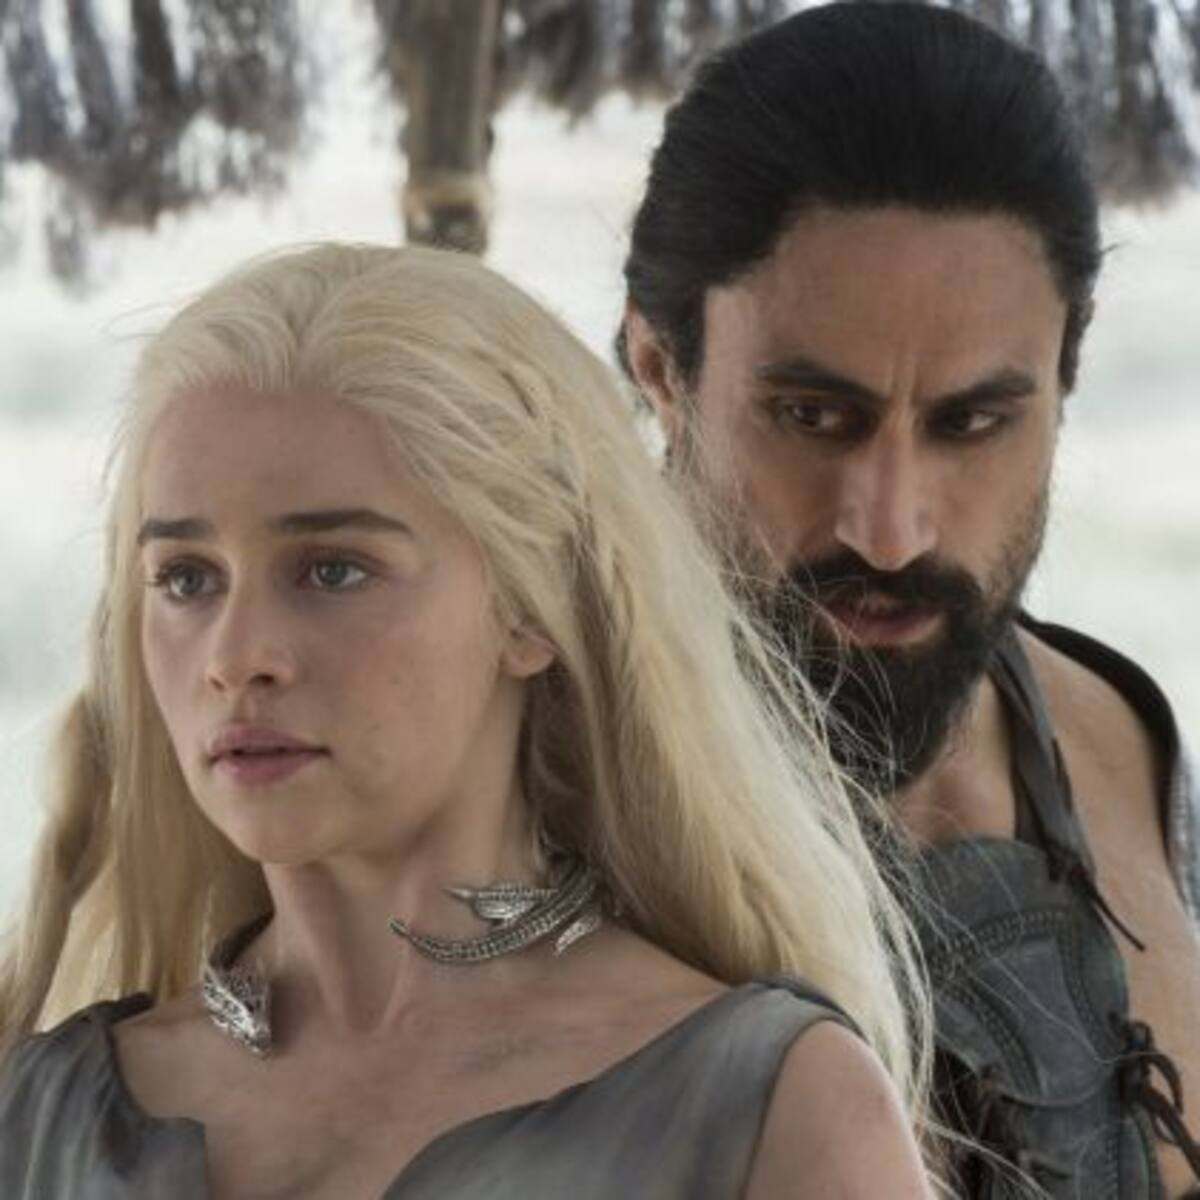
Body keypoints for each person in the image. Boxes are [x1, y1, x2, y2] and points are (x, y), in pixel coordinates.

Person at [0, 243, 933, 1197]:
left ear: (531, 608)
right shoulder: (41, 1117)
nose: (236, 656)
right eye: (187, 579)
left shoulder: (770, 1105)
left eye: (332, 570)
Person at [619, 4, 1200, 1197]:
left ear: (1068, 372)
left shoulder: (1121, 745)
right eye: (813, 417)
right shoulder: (519, 793)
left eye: (972, 422)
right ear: (661, 368)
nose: (889, 529)